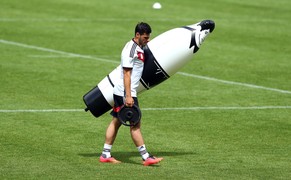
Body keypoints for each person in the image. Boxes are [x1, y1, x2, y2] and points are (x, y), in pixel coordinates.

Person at [99, 22, 163, 166]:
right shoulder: (130, 50)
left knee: (116, 121)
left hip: (123, 92)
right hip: (125, 92)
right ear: (137, 35)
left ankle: (105, 154)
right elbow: (126, 74)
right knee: (135, 123)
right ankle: (146, 157)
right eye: (145, 37)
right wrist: (128, 96)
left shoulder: (139, 47)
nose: (148, 40)